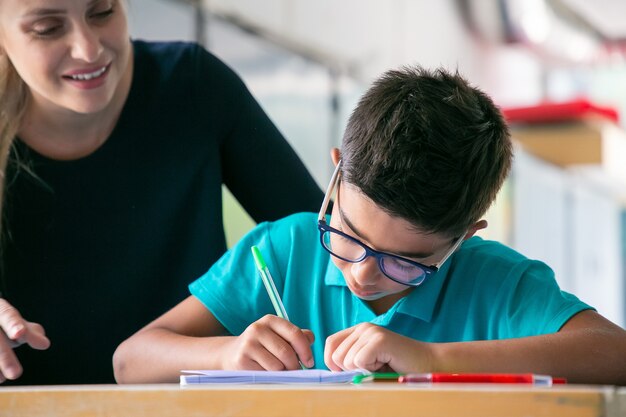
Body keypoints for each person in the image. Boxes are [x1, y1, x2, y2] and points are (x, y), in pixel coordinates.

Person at [113, 65, 626, 386]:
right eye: (346, 235)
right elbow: (129, 362)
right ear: (336, 173)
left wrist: (432, 359)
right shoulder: (282, 251)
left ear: (465, 236)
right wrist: (227, 352)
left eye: (404, 262)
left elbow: (616, 354)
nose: (361, 275)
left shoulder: (498, 285)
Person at [0, 0, 325, 385]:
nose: (88, 49)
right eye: (47, 29)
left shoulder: (193, 85)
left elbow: (331, 240)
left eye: (102, 11)